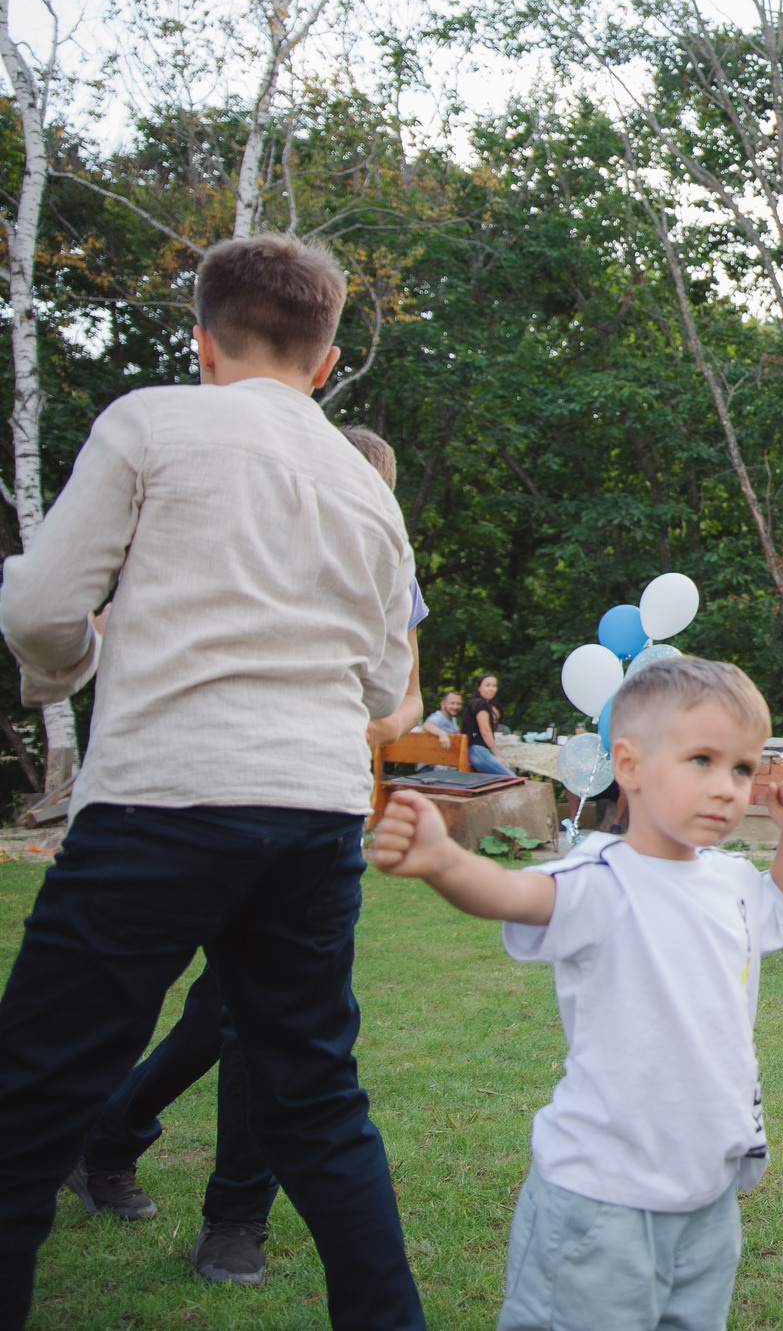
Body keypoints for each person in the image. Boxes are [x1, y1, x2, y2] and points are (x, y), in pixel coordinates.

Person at [0, 233, 424, 1330]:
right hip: (315, 812)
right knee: (320, 1104)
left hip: (165, 795)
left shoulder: (150, 422)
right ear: (326, 364)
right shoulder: (366, 487)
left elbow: (41, 609)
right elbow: (385, 688)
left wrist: (80, 660)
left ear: (202, 343)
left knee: (31, 1098)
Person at [61, 426, 428, 1290]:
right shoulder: (240, 537)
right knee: (219, 1019)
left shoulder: (389, 569)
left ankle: (225, 1212)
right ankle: (117, 1145)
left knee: (235, 1020)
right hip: (201, 796)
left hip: (311, 811)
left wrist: (344, 715)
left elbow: (403, 693)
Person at [370, 655, 783, 1331]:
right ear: (630, 765)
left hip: (705, 1193)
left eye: (741, 766)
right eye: (701, 759)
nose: (728, 785)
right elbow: (517, 895)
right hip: (602, 1197)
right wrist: (446, 862)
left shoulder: (730, 879)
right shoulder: (602, 878)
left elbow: (780, 913)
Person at [462, 672, 517, 775]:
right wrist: (497, 755)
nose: (491, 689)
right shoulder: (480, 704)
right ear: (479, 688)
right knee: (510, 777)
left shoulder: (480, 703)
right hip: (477, 749)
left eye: (494, 686)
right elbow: (485, 731)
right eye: (487, 685)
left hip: (475, 750)